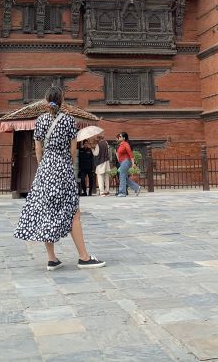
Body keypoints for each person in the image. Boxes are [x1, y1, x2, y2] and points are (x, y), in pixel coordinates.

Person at [14, 86, 105, 270]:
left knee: (47, 211)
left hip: (45, 170)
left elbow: (38, 149)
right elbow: (73, 151)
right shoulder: (69, 121)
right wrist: (68, 166)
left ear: (46, 100)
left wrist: (43, 166)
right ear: (62, 100)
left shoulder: (39, 121)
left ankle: (52, 258)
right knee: (73, 212)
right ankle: (84, 257)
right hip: (63, 168)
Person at [116, 132, 140, 197]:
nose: (119, 137)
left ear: (124, 138)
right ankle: (136, 187)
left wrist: (133, 163)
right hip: (122, 162)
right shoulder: (121, 144)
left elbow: (130, 153)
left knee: (122, 176)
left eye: (120, 136)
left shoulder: (126, 144)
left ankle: (122, 192)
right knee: (124, 177)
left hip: (126, 161)